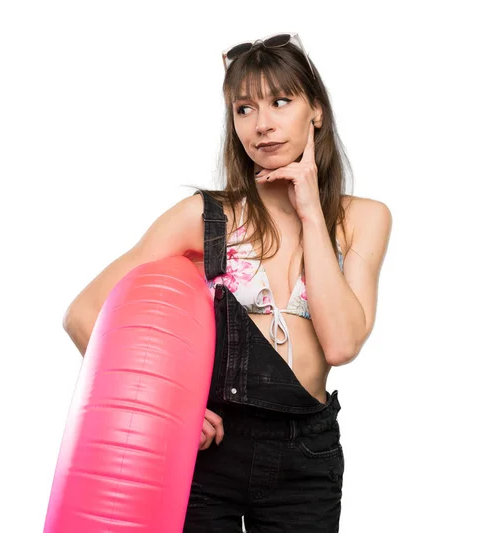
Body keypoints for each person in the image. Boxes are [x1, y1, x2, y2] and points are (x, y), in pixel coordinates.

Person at [63, 32, 391, 532]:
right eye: (243, 109)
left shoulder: (362, 219)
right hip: (207, 457)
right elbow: (84, 314)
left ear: (316, 110)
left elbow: (342, 343)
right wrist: (169, 411)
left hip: (306, 455)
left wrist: (309, 211)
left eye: (280, 102)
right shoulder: (206, 215)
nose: (262, 125)